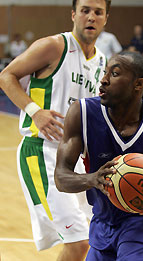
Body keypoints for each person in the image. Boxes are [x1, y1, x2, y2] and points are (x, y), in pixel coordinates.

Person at [0, 0, 111, 260]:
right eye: (85, 11)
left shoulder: (103, 60)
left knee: (98, 234)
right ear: (74, 14)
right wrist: (34, 112)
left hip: (81, 161)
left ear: (106, 18)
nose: (91, 17)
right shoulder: (54, 46)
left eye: (98, 12)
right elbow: (7, 76)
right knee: (78, 242)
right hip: (43, 153)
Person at [54, 51, 143, 260]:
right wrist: (93, 179)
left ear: (138, 84)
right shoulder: (82, 113)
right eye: (105, 72)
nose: (103, 80)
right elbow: (61, 178)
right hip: (103, 222)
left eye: (114, 74)